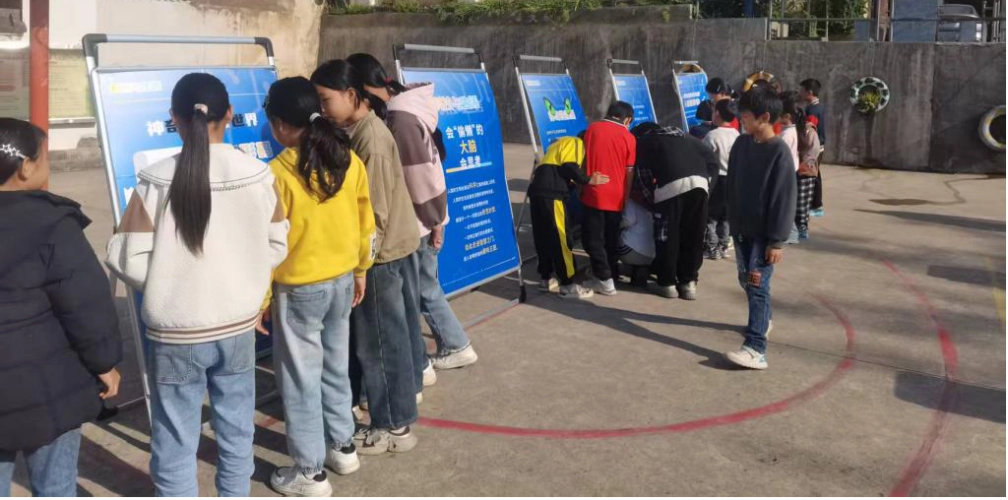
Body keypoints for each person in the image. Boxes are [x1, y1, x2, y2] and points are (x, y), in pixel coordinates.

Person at [105, 73, 289, 498]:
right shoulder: (258, 174)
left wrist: (169, 285)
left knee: (175, 438)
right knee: (237, 428)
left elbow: (126, 257)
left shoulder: (154, 180)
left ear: (175, 118)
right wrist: (243, 279)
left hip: (175, 333)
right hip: (238, 326)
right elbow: (277, 243)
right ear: (230, 114)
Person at [262, 77, 376, 497]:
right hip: (342, 280)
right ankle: (342, 446)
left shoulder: (277, 173)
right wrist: (361, 269)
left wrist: (262, 297)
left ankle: (309, 472)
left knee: (300, 381)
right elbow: (366, 222)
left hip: (299, 289)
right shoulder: (348, 160)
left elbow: (269, 244)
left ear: (279, 124)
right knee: (334, 366)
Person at [0, 118, 122, 499]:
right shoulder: (53, 223)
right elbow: (85, 303)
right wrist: (104, 363)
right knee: (55, 487)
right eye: (44, 157)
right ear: (25, 168)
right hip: (48, 388)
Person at [311, 60, 422, 455]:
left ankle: (392, 425)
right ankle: (398, 405)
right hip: (392, 247)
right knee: (393, 335)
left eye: (326, 100)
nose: (322, 109)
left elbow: (374, 215)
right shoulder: (361, 130)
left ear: (352, 95)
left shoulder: (369, 141)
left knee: (379, 343)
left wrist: (361, 265)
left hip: (379, 256)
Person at [346, 53, 478, 373]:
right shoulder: (404, 108)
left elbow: (421, 175)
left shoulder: (400, 118)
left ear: (360, 89)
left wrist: (436, 220)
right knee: (422, 290)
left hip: (416, 222)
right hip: (423, 218)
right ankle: (449, 347)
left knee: (418, 293)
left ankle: (450, 348)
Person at [724, 87, 797, 370]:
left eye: (745, 116)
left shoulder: (779, 152)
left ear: (764, 117)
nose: (741, 120)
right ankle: (763, 320)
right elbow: (732, 183)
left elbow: (783, 199)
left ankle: (756, 347)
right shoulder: (741, 144)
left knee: (757, 285)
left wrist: (776, 242)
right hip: (741, 228)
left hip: (764, 235)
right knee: (747, 280)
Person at [631, 122, 720, 300]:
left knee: (668, 236)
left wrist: (652, 202)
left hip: (670, 188)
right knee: (693, 235)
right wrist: (707, 189)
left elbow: (643, 177)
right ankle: (688, 283)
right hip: (701, 185)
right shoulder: (688, 138)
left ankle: (667, 284)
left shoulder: (645, 142)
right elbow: (713, 163)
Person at [527, 135, 608, 299]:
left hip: (537, 191)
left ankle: (545, 278)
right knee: (561, 238)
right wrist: (588, 180)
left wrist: (573, 185)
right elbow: (568, 166)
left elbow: (560, 168)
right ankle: (568, 285)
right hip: (552, 194)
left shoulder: (557, 146)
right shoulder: (576, 142)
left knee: (543, 236)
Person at [581, 101, 636, 296]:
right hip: (617, 196)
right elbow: (629, 172)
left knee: (593, 239)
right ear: (627, 119)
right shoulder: (629, 137)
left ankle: (604, 279)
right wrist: (626, 197)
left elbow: (583, 159)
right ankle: (610, 273)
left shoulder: (592, 129)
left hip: (594, 192)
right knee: (610, 238)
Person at [702, 99, 741, 260]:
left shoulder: (713, 135)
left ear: (717, 113)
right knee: (726, 216)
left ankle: (711, 246)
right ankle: (724, 246)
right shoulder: (737, 135)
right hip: (733, 180)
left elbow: (703, 155)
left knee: (710, 215)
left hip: (717, 180)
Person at [616, 169, 655, 287]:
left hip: (630, 252)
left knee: (612, 235)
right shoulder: (650, 203)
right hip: (651, 254)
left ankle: (612, 269)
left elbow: (626, 221)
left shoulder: (630, 201)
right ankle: (638, 270)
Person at [799, 78, 826, 217]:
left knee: (813, 175)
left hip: (814, 148)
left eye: (802, 91)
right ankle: (816, 204)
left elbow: (810, 130)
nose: (801, 93)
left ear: (809, 92)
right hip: (819, 146)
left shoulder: (813, 110)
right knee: (815, 174)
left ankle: (816, 205)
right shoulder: (819, 107)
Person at [778, 91, 802, 245]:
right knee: (785, 204)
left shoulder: (786, 135)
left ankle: (791, 233)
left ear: (786, 116)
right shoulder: (791, 131)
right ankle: (791, 233)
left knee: (783, 205)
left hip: (785, 173)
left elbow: (780, 157)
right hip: (791, 171)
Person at [795, 103, 821, 241]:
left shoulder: (810, 132)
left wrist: (803, 163)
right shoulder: (793, 130)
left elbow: (813, 152)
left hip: (806, 171)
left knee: (802, 203)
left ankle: (802, 227)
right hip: (795, 169)